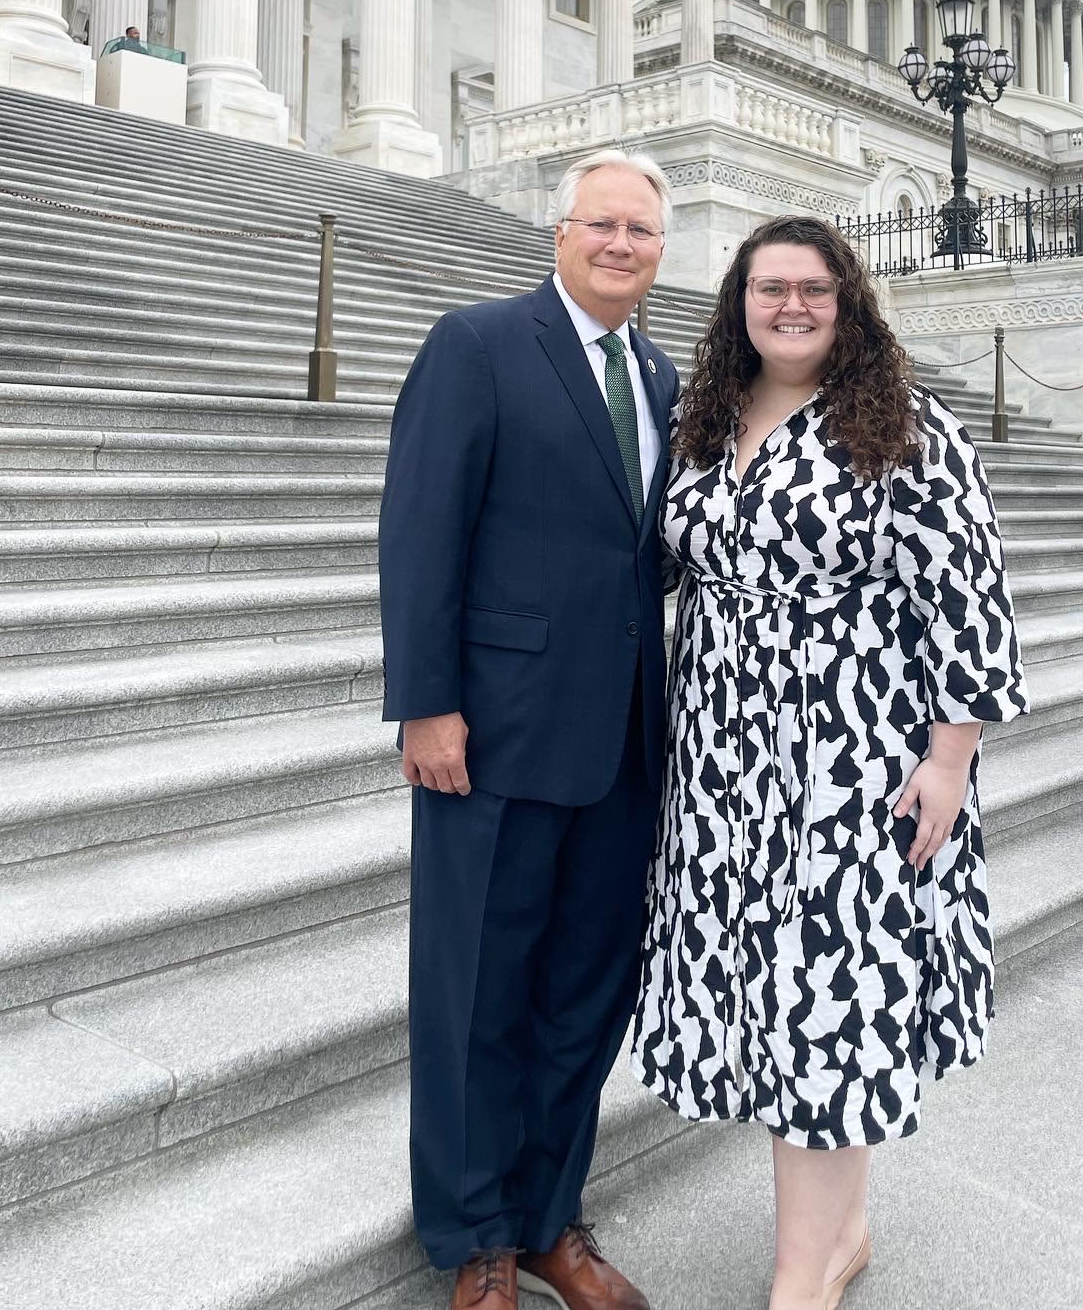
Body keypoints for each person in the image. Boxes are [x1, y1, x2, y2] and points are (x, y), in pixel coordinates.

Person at [632, 214, 1028, 1310]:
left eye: (814, 288)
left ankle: (803, 1269)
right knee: (763, 989)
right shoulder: (704, 422)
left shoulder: (900, 426)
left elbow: (968, 598)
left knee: (829, 987)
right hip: (719, 755)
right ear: (740, 305)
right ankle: (842, 1226)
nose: (792, 306)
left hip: (854, 755)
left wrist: (950, 760)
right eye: (771, 289)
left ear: (847, 302)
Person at [379, 150, 679, 1310]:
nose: (619, 245)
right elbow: (419, 530)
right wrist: (427, 701)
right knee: (475, 993)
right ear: (559, 234)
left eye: (641, 232)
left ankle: (553, 1218)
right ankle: (477, 1236)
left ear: (662, 251)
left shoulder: (659, 376)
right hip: (490, 736)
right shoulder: (479, 344)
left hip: (619, 748)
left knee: (583, 993)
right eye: (600, 224)